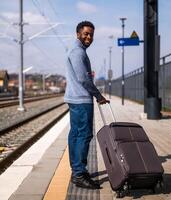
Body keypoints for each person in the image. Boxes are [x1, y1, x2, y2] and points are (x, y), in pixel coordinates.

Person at [64, 21, 109, 189]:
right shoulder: (78, 52)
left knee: (76, 134)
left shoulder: (78, 50)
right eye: (86, 34)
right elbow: (83, 79)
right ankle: (79, 173)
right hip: (81, 99)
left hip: (76, 99)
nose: (89, 37)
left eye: (91, 34)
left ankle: (77, 170)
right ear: (78, 34)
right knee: (84, 135)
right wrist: (98, 96)